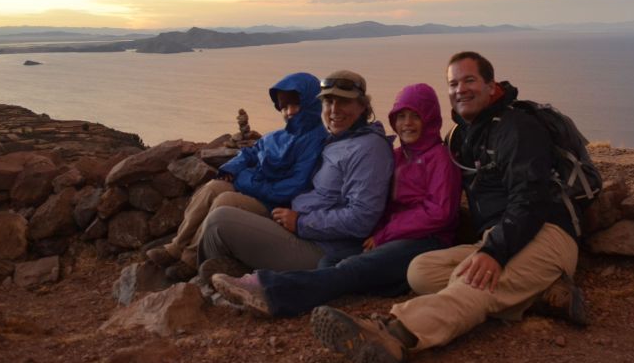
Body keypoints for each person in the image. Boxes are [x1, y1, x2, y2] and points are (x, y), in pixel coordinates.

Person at [310, 52, 586, 363]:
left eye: (469, 80)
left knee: (474, 285)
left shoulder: (517, 127)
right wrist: (491, 246)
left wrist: (495, 253)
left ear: (491, 86)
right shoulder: (464, 136)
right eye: (453, 83)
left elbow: (531, 200)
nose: (460, 90)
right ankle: (542, 294)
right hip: (500, 236)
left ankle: (395, 334)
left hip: (547, 232)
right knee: (421, 271)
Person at [211, 82, 462, 317]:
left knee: (350, 268)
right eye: (401, 116)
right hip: (387, 236)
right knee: (331, 263)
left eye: (416, 116)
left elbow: (439, 212)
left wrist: (385, 234)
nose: (407, 123)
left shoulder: (439, 158)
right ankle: (385, 285)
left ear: (429, 118)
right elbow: (383, 204)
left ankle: (271, 292)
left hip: (426, 239)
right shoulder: (399, 155)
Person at [196, 70, 394, 274]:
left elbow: (361, 219)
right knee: (222, 196)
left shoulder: (369, 149)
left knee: (219, 222)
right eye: (328, 102)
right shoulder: (338, 139)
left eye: (343, 102)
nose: (334, 109)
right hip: (297, 224)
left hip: (322, 248)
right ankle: (210, 272)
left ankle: (205, 288)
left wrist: (301, 222)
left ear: (362, 106)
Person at [146, 72, 325, 280]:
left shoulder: (316, 141)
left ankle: (191, 257)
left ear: (311, 103)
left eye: (295, 105)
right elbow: (250, 153)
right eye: (284, 107)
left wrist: (244, 180)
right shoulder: (279, 135)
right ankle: (175, 247)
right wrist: (231, 169)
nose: (289, 112)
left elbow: (292, 187)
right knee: (213, 187)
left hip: (274, 203)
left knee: (225, 199)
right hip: (256, 188)